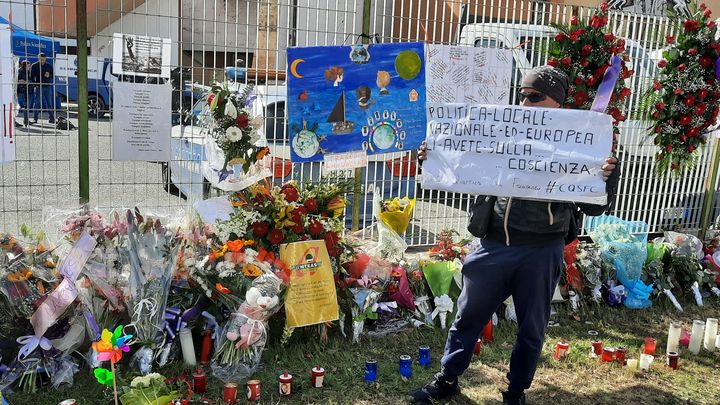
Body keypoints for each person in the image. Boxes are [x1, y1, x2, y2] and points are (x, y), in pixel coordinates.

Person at [410, 65, 620, 405]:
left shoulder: (578, 144)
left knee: (531, 328)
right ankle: (447, 379)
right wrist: (432, 158)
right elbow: (460, 167)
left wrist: (607, 178)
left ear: (557, 103)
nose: (525, 103)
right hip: (493, 245)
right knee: (468, 316)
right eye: (521, 95)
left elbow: (594, 208)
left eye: (534, 97)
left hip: (541, 251)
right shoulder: (501, 131)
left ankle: (516, 391)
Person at [29, 52, 55, 124]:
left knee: (49, 103)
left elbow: (53, 75)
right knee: (37, 103)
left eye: (43, 59)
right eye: (41, 59)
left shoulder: (49, 66)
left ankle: (52, 118)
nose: (42, 61)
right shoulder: (34, 65)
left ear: (45, 59)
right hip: (38, 86)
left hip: (47, 86)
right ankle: (35, 119)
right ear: (38, 59)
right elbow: (31, 77)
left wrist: (49, 75)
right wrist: (36, 85)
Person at [17, 60, 31, 126]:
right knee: (23, 106)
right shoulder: (20, 71)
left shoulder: (27, 72)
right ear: (25, 66)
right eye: (28, 65)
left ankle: (26, 120)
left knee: (26, 106)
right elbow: (19, 81)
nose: (29, 67)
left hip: (26, 90)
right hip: (21, 91)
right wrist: (26, 81)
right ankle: (25, 121)